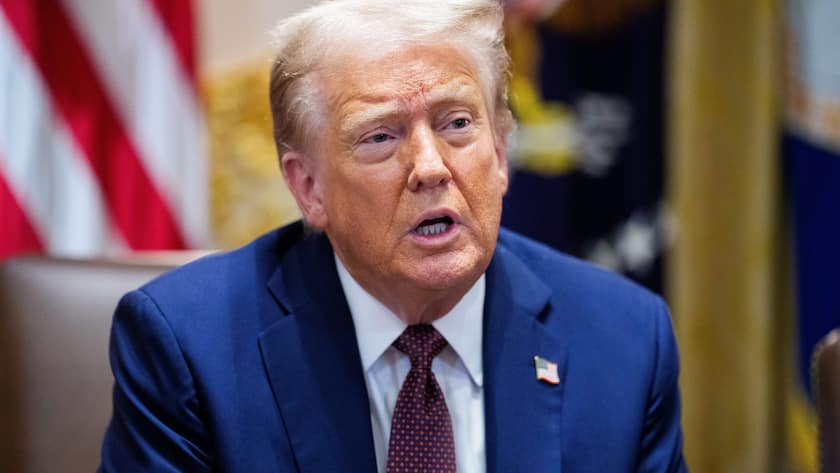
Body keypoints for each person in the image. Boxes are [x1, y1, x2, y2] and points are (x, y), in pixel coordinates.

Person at [98, 0, 687, 471]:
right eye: (380, 136)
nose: (430, 167)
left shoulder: (624, 343)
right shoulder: (190, 348)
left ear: (501, 156)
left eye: (457, 124)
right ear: (309, 189)